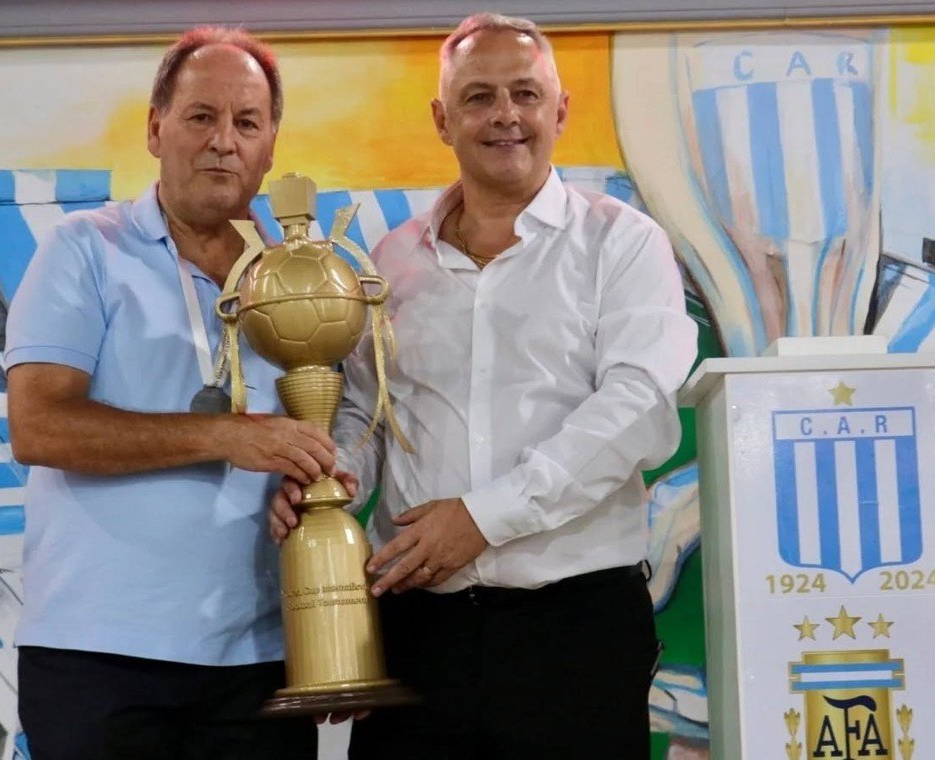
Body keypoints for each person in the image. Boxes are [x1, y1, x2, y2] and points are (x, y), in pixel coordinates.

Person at [269, 12, 698, 760]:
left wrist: (482, 518)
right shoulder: (391, 260)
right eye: (478, 97)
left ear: (560, 110)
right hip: (417, 631)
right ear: (443, 119)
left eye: (526, 94)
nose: (506, 115)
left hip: (574, 630)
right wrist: (328, 477)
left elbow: (635, 412)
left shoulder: (623, 243)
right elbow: (370, 411)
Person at [5, 26, 337, 760]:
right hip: (97, 655)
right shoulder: (82, 248)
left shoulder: (300, 280)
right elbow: (39, 427)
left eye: (246, 122)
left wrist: (310, 476)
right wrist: (225, 436)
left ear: (271, 145)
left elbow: (339, 431)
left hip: (258, 659)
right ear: (156, 128)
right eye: (201, 116)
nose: (224, 140)